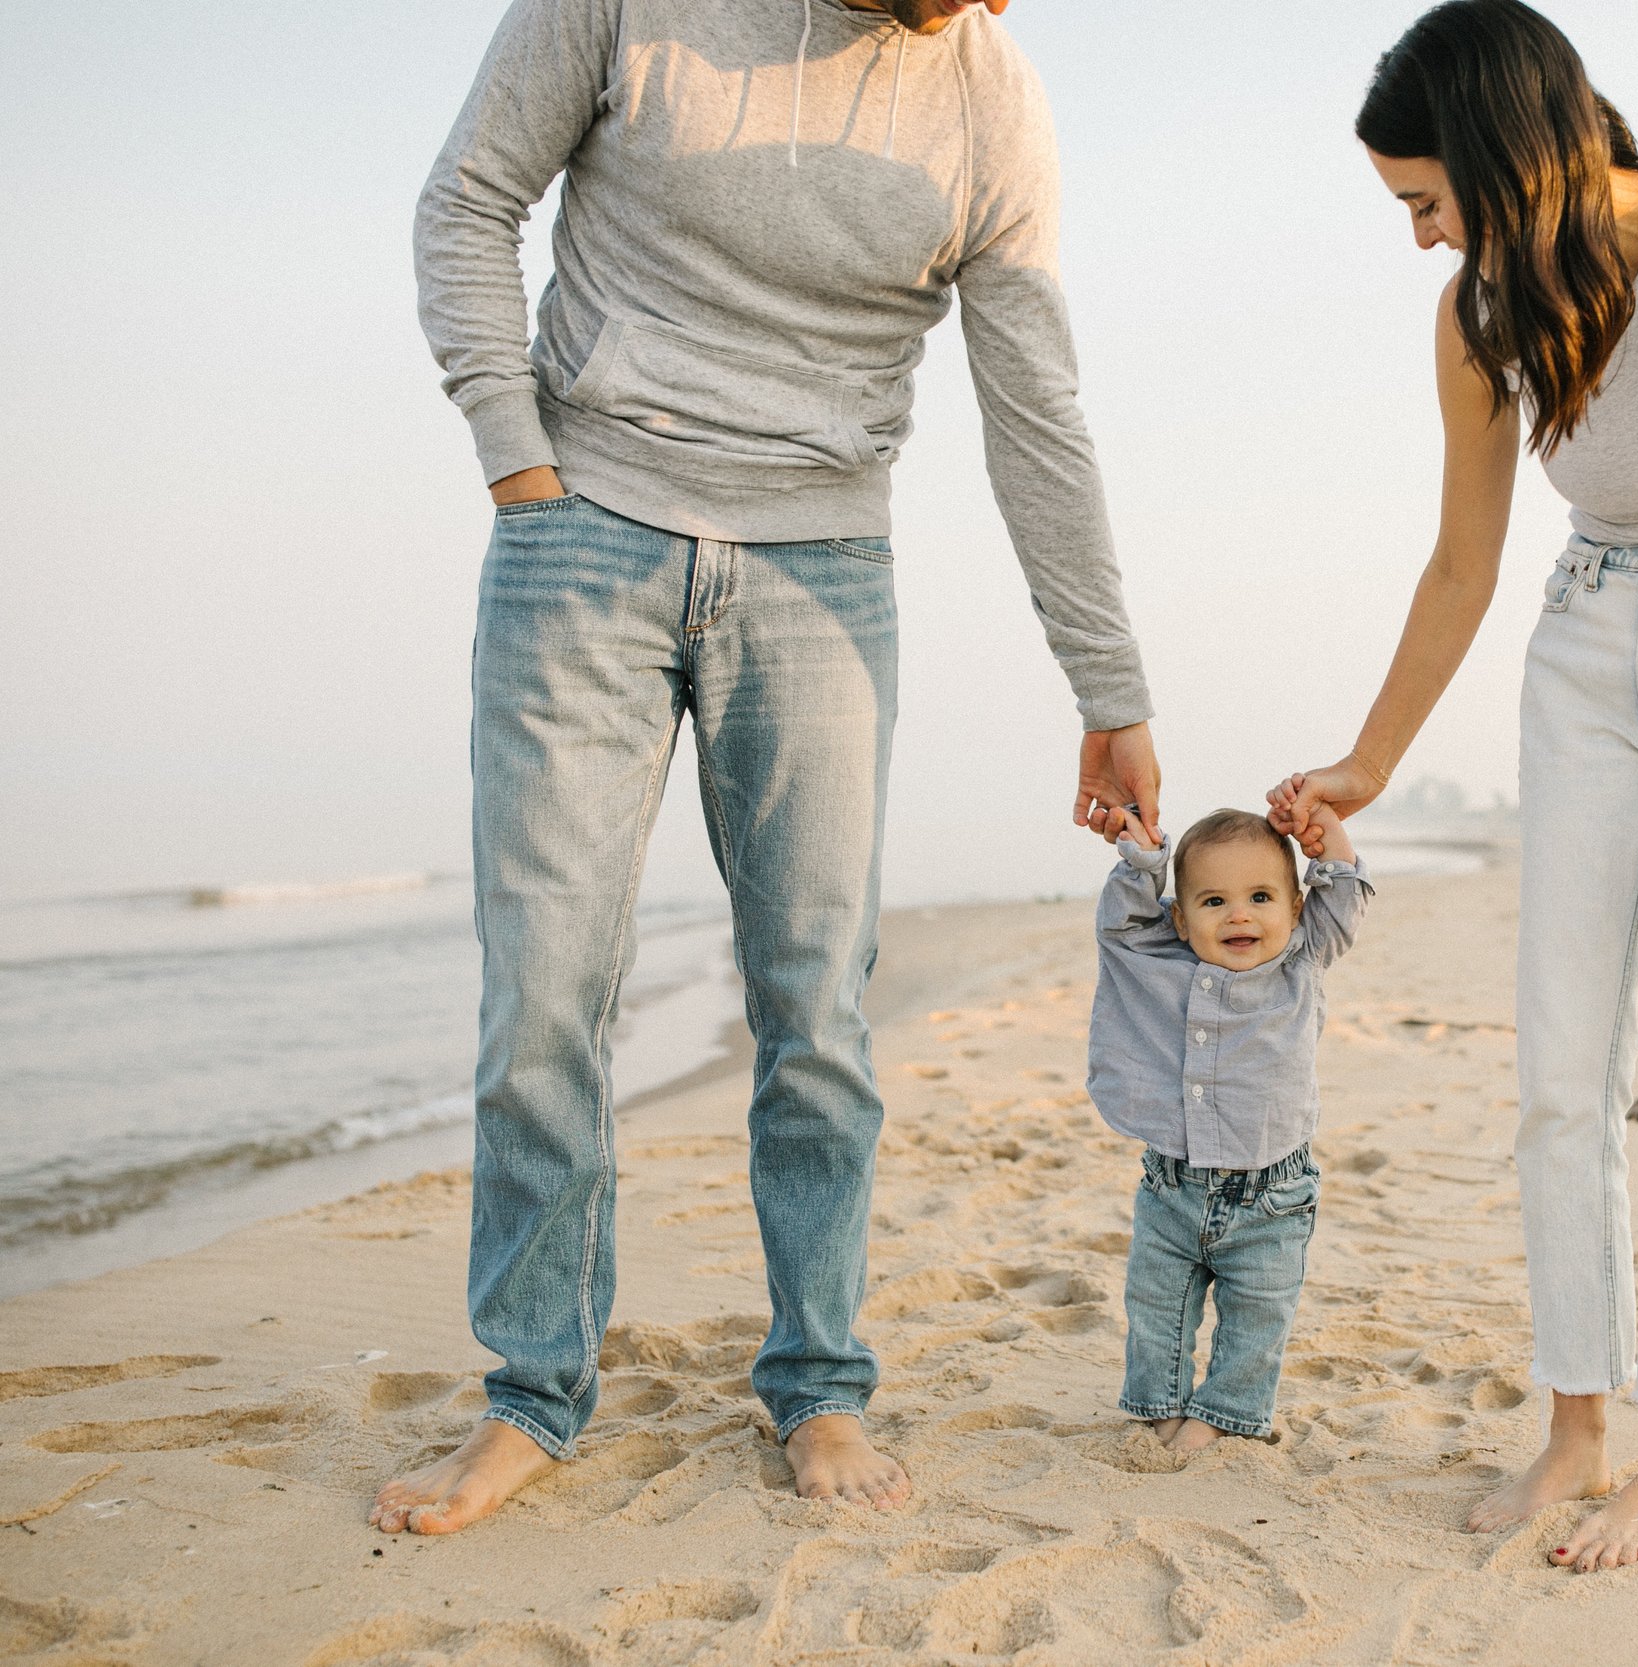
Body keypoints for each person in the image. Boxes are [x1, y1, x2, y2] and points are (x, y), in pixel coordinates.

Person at [371, 0, 1161, 1536]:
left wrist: (1107, 683)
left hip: (820, 569)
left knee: (817, 1004)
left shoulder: (994, 97)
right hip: (581, 530)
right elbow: (468, 198)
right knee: (543, 993)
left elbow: (1035, 408)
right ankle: (534, 1393)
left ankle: (819, 1382)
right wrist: (515, 459)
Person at [1269, 0, 1638, 1572]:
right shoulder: (1482, 311)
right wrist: (1369, 759)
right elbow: (1465, 558)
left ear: (1501, 153)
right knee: (1558, 1075)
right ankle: (1578, 1429)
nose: (1420, 240)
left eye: (1426, 201)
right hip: (1588, 647)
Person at [1088, 806, 1370, 1455]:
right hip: (1172, 1187)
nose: (1239, 915)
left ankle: (1222, 1410)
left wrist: (1325, 831)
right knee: (1157, 1306)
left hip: (1273, 1196)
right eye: (1214, 900)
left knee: (1258, 1316)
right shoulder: (1161, 957)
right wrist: (1145, 860)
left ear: (1296, 907)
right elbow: (1123, 922)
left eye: (1261, 897)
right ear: (1180, 918)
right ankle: (1161, 1403)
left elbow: (1346, 895)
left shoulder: (1302, 957)